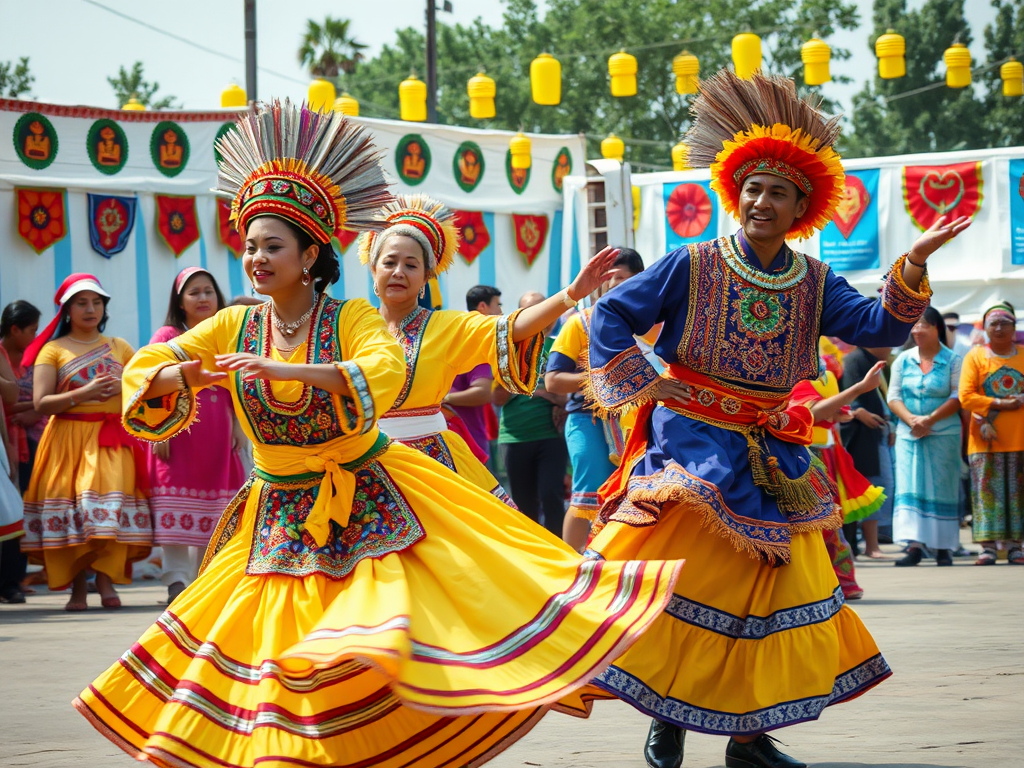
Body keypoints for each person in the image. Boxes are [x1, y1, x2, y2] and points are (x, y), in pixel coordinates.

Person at [74, 100, 682, 768]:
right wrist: (174, 375)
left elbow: (387, 370)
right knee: (275, 642)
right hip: (278, 508)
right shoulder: (234, 325)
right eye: (249, 246)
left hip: (377, 488)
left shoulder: (364, 320)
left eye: (271, 246)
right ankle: (293, 752)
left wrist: (566, 298)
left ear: (311, 255)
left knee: (396, 627)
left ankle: (393, 735)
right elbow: (150, 366)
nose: (255, 258)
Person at [581, 69, 969, 768]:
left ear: (800, 209)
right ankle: (666, 719)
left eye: (778, 192)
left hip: (769, 448)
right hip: (690, 443)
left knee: (776, 590)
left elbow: (879, 326)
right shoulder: (692, 263)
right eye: (753, 188)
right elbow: (611, 314)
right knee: (680, 580)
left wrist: (912, 261)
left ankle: (748, 738)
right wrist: (647, 384)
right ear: (737, 194)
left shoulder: (816, 283)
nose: (763, 200)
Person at [362, 193, 618, 503]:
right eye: (389, 262)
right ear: (373, 269)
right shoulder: (354, 325)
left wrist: (571, 294)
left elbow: (514, 326)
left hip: (431, 464)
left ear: (427, 277)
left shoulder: (447, 326)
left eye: (411, 264)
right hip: (366, 463)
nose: (398, 271)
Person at [20, 274, 151, 611]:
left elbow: (143, 387)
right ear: (67, 309)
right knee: (74, 514)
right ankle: (78, 589)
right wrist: (84, 393)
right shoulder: (53, 349)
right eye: (82, 302)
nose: (91, 308)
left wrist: (126, 384)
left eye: (96, 302)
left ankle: (105, 580)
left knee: (103, 513)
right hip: (67, 440)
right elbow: (41, 403)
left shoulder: (119, 347)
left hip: (110, 441)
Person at [148, 267, 246, 602]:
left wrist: (238, 425)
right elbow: (151, 378)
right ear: (181, 301)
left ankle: (201, 585)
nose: (203, 298)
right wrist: (159, 431)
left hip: (219, 428)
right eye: (194, 292)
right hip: (178, 431)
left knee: (215, 511)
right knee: (174, 508)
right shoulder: (167, 335)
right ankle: (176, 582)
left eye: (208, 291)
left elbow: (236, 381)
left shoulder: (225, 332)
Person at [545, 247, 646, 551]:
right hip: (588, 419)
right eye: (608, 277)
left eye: (622, 277)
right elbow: (553, 380)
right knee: (588, 496)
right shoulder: (580, 323)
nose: (614, 283)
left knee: (639, 494)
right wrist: (606, 379)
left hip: (641, 422)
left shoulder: (653, 326)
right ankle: (572, 568)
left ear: (640, 280)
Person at [790, 355, 889, 598]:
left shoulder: (821, 369)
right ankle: (829, 583)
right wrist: (857, 390)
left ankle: (838, 582)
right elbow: (812, 412)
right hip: (802, 454)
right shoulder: (797, 370)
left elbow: (821, 414)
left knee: (827, 522)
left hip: (819, 453)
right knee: (815, 523)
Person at [888, 307, 963, 566]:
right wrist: (911, 421)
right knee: (910, 486)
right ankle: (914, 546)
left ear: (936, 328)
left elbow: (957, 396)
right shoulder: (902, 360)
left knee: (943, 487)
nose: (917, 330)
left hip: (944, 434)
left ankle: (944, 547)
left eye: (923, 324)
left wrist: (930, 420)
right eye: (914, 325)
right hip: (909, 435)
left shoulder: (953, 360)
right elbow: (893, 396)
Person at [494, 291, 567, 536]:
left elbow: (567, 395)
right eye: (531, 311)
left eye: (544, 309)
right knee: (524, 505)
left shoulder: (560, 345)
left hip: (551, 435)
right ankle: (534, 557)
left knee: (551, 496)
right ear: (519, 315)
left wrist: (550, 396)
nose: (541, 316)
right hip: (515, 436)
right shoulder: (510, 348)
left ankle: (560, 554)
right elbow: (497, 397)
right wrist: (543, 392)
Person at [959, 301, 1024, 565]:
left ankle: (1015, 546)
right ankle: (987, 546)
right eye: (992, 324)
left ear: (1014, 328)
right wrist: (1001, 403)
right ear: (985, 328)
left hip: (1019, 436)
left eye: (1004, 323)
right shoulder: (975, 356)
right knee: (986, 493)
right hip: (986, 437)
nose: (998, 328)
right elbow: (965, 396)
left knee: (1017, 494)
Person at [0, 300, 43, 603]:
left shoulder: (32, 357)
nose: (35, 335)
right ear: (15, 330)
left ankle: (13, 579)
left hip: (17, 440)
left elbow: (14, 396)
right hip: (11, 434)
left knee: (16, 509)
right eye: (31, 330)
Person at [839, 345, 894, 558]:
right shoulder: (855, 359)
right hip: (858, 434)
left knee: (875, 486)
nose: (890, 346)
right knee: (870, 485)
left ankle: (871, 544)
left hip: (874, 430)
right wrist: (857, 411)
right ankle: (870, 545)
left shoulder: (875, 363)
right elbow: (851, 396)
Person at [444, 285, 503, 462]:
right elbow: (483, 393)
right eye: (498, 305)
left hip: (455, 441)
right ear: (483, 307)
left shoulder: (452, 339)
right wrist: (443, 399)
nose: (501, 312)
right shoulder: (474, 343)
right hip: (466, 446)